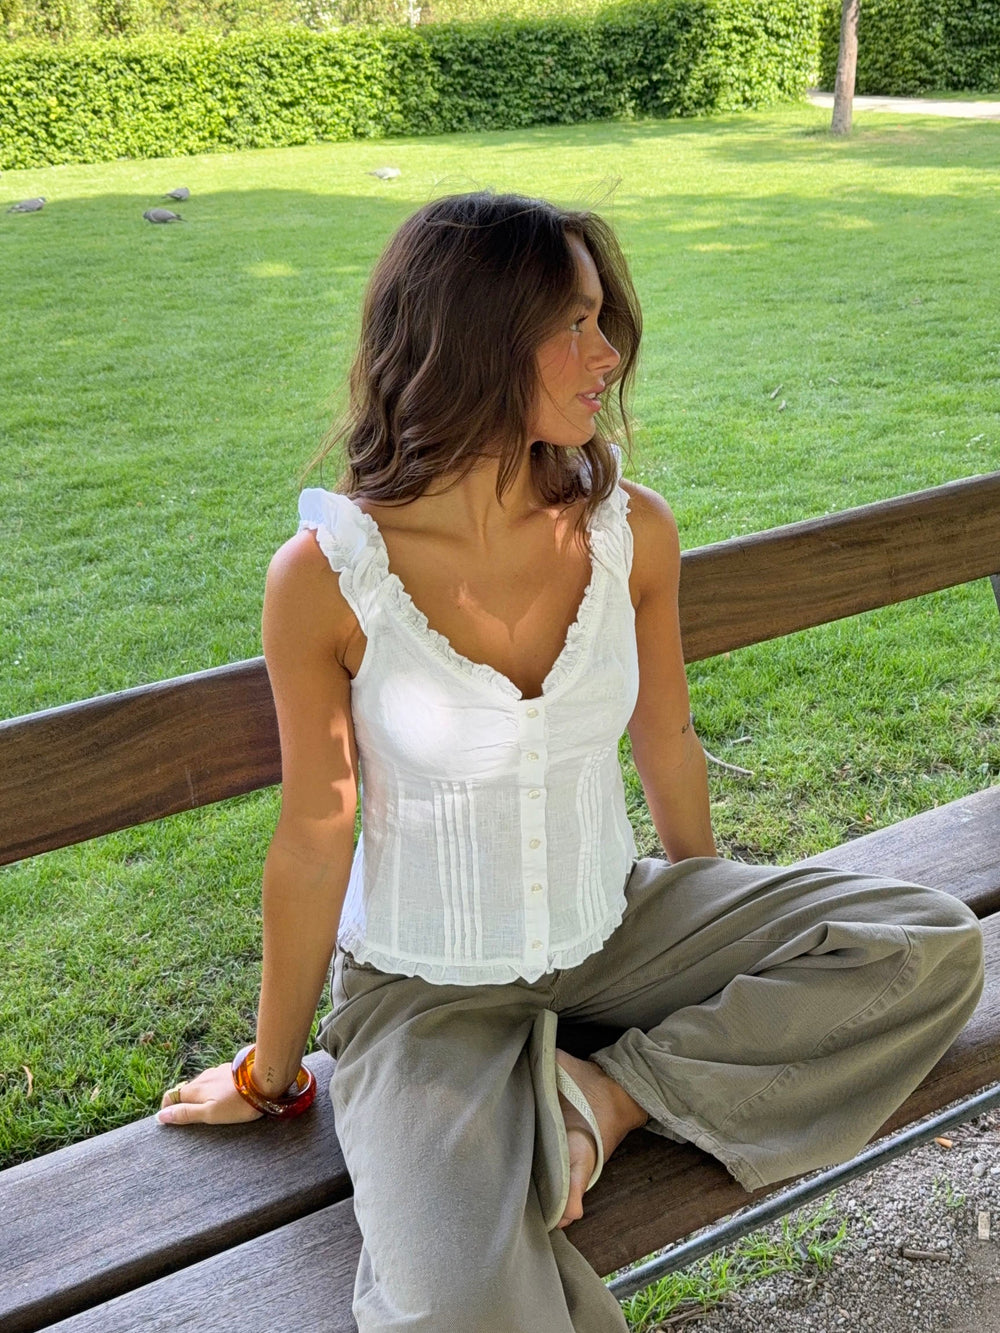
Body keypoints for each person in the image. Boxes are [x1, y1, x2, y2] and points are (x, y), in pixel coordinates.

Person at [157, 192, 984, 1332]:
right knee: (456, 1305)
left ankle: (604, 1097)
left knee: (926, 941)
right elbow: (314, 832)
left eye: (606, 321)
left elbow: (667, 739)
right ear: (477, 339)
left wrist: (707, 918)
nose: (609, 356)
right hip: (427, 990)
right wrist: (271, 1074)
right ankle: (560, 1117)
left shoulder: (629, 530)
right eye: (576, 324)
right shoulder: (330, 575)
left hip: (618, 925)